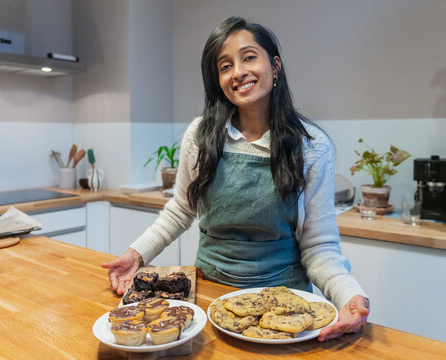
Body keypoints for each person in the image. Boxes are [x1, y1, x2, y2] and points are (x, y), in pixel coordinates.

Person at [102, 16, 369, 341]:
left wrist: (349, 296)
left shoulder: (311, 146)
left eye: (249, 57)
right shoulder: (200, 136)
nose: (238, 71)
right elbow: (180, 210)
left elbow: (319, 246)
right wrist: (137, 254)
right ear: (218, 79)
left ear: (275, 65)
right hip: (210, 296)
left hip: (283, 305)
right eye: (225, 65)